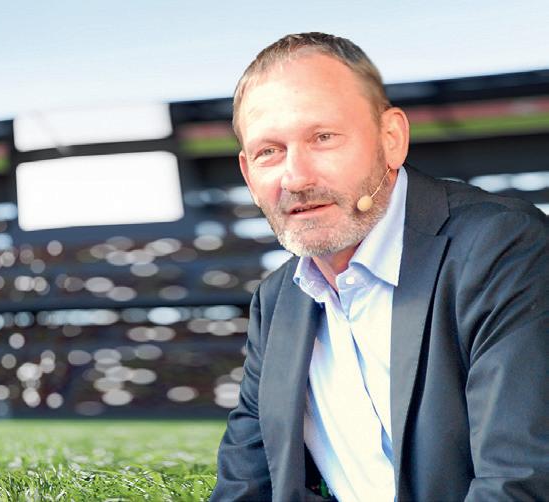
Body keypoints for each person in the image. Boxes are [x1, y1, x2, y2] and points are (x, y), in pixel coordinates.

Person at [211, 32, 548, 502]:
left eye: (323, 138)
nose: (296, 177)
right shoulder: (277, 300)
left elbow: (520, 483)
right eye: (269, 151)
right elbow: (247, 484)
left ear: (391, 139)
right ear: (249, 174)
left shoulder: (503, 246)